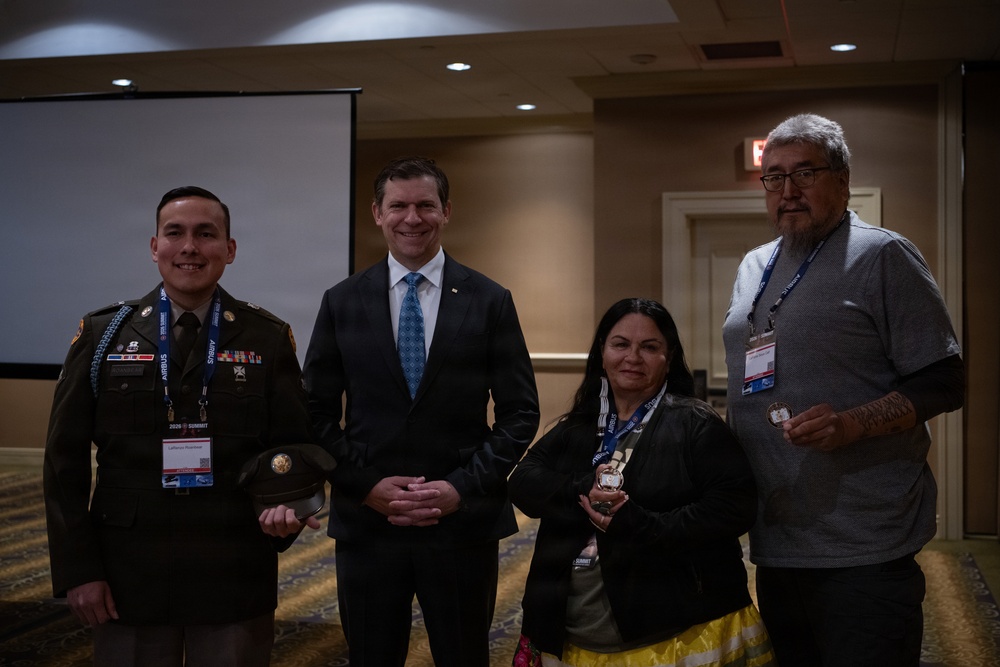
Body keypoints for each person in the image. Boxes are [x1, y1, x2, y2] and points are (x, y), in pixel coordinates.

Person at [722, 113, 965, 667]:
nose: (788, 191)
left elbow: (945, 380)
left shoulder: (882, 255)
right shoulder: (755, 265)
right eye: (774, 177)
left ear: (842, 178)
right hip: (777, 533)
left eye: (804, 173)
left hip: (863, 541)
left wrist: (854, 423)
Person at [43, 186, 316, 666]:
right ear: (155, 247)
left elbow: (292, 444)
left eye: (206, 234)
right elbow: (63, 464)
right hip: (128, 572)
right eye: (176, 233)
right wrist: (78, 570)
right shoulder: (105, 334)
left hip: (232, 566)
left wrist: (286, 505)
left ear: (229, 250)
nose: (190, 246)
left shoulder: (266, 337)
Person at [301, 156, 540, 666]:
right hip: (368, 522)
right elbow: (316, 412)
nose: (413, 218)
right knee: (371, 656)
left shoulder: (489, 300)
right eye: (399, 206)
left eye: (425, 205)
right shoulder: (341, 301)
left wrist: (461, 487)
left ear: (446, 211)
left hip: (461, 522)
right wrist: (364, 485)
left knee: (463, 656)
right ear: (377, 213)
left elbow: (520, 413)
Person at [509, 298, 775, 667]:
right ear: (602, 353)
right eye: (620, 344)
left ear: (668, 359)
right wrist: (583, 490)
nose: (633, 357)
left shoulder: (695, 423)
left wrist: (641, 525)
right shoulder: (579, 424)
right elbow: (523, 481)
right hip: (567, 625)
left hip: (671, 626)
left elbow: (735, 508)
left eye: (649, 347)